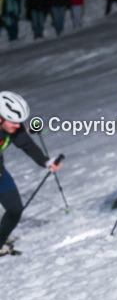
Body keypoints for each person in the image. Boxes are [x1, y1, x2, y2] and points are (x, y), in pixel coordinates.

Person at [0, 92, 63, 256]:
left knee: (14, 209)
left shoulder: (14, 128)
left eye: (19, 121)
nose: (17, 125)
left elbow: (27, 144)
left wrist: (45, 162)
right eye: (13, 121)